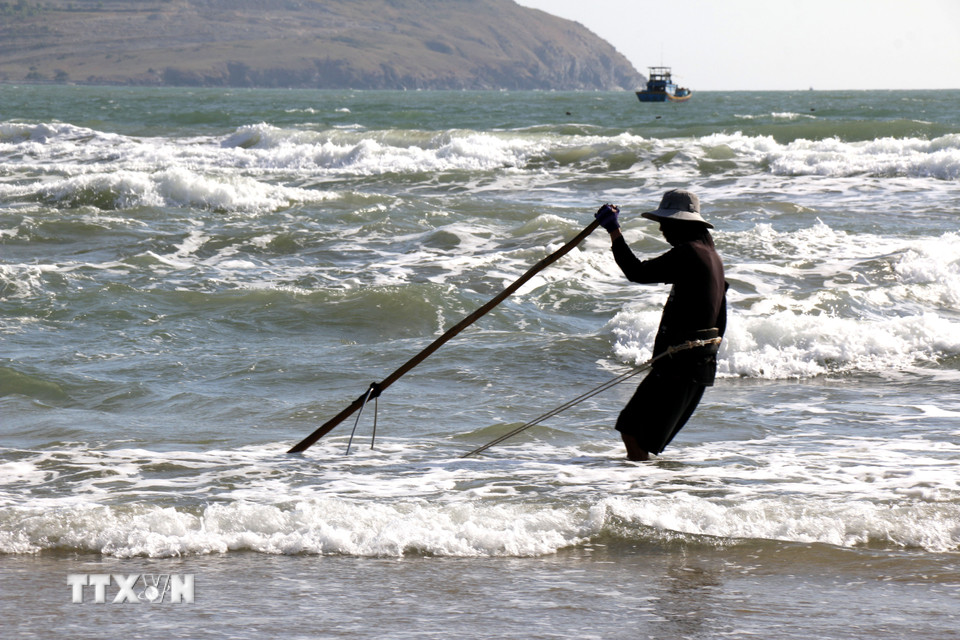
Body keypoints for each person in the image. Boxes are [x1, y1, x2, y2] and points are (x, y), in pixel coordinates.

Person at [594, 189, 727, 461]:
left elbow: (637, 272)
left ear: (682, 225)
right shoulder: (712, 257)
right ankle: (651, 489)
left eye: (666, 224)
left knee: (632, 429)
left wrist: (614, 231)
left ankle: (642, 492)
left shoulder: (689, 253)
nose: (663, 230)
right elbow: (720, 316)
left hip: (681, 365)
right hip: (697, 365)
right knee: (637, 433)